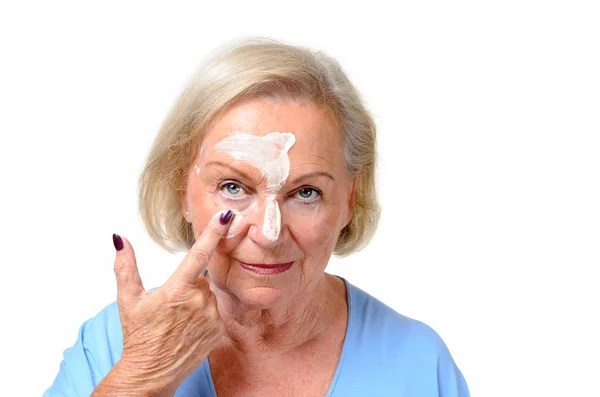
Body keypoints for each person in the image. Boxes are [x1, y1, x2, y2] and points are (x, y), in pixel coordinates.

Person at [44, 38, 470, 397]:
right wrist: (140, 377)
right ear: (182, 191)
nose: (268, 234)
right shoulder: (114, 341)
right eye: (234, 187)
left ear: (348, 201)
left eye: (306, 193)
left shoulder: (419, 363)